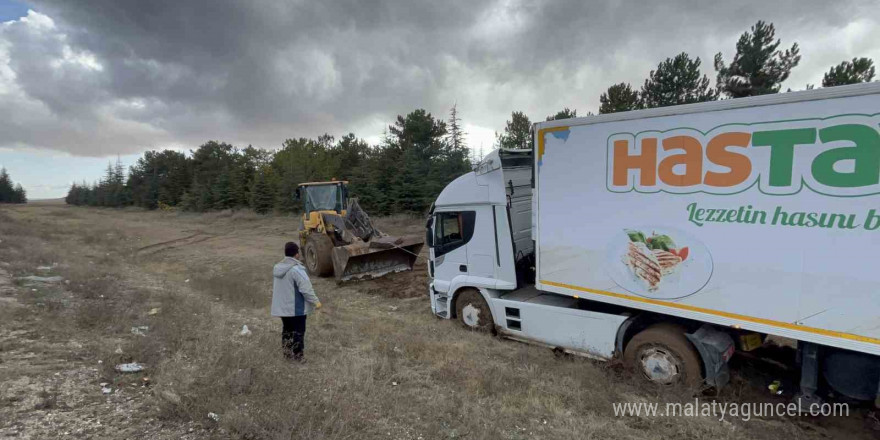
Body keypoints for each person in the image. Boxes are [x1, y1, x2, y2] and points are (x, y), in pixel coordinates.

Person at [271, 242, 321, 361]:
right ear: (296, 254)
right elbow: (306, 289)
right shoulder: (296, 270)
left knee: (287, 331)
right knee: (298, 332)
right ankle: (298, 356)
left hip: (283, 309)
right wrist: (316, 301)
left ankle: (287, 354)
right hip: (296, 309)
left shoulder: (278, 268)